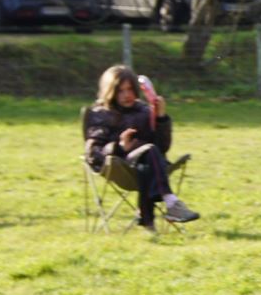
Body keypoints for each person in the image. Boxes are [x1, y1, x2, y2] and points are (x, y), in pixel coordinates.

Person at [84, 64, 198, 233]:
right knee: (149, 152)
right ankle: (171, 202)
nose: (127, 95)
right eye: (120, 91)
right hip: (117, 166)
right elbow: (93, 153)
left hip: (147, 166)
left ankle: (148, 220)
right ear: (110, 92)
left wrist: (161, 118)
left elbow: (162, 147)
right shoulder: (101, 114)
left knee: (147, 159)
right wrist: (119, 147)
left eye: (130, 89)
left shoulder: (144, 111)